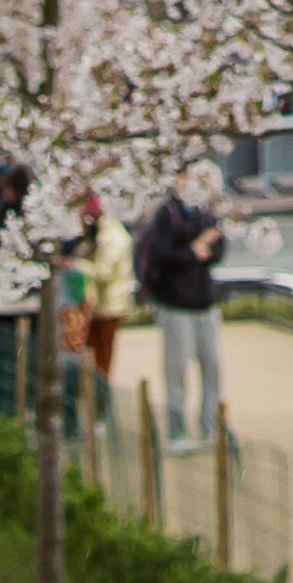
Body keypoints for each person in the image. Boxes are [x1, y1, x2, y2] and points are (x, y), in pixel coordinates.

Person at [135, 178, 225, 448]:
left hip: (204, 302)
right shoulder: (167, 214)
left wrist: (202, 251)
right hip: (175, 304)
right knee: (177, 369)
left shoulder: (205, 211)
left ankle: (210, 425)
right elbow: (160, 252)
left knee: (213, 365)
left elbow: (218, 248)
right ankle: (177, 430)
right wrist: (192, 251)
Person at [72, 192, 134, 390]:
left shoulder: (112, 236)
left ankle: (99, 404)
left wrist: (75, 264)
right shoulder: (97, 233)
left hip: (109, 307)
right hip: (95, 306)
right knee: (90, 358)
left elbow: (103, 272)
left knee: (101, 360)